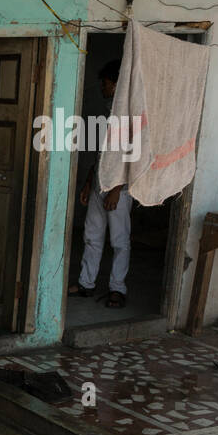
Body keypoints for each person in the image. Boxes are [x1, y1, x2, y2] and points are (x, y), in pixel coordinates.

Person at [70, 59, 131, 309]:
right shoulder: (109, 113)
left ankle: (118, 288)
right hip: (98, 183)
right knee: (91, 235)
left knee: (119, 240)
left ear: (116, 84)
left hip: (118, 188)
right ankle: (86, 283)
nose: (102, 88)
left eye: (105, 83)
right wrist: (88, 183)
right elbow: (101, 154)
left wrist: (117, 189)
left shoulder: (128, 115)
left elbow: (131, 156)